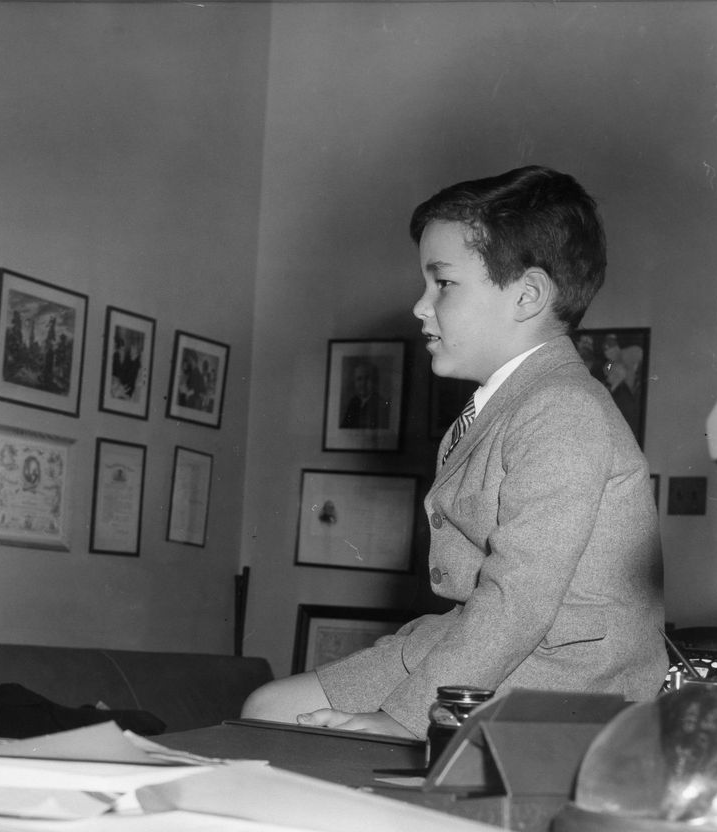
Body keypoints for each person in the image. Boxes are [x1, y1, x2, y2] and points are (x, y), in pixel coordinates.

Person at [243, 165, 667, 739]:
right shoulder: (506, 405)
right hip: (480, 643)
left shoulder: (564, 409)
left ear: (529, 295)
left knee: (293, 732)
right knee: (268, 710)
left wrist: (404, 719)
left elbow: (518, 599)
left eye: (442, 283)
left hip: (563, 681)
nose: (421, 306)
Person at [340, 360, 388, 429]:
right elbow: (344, 427)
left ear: (374, 380)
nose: (363, 383)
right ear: (354, 382)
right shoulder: (354, 401)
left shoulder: (380, 403)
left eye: (367, 378)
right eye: (359, 379)